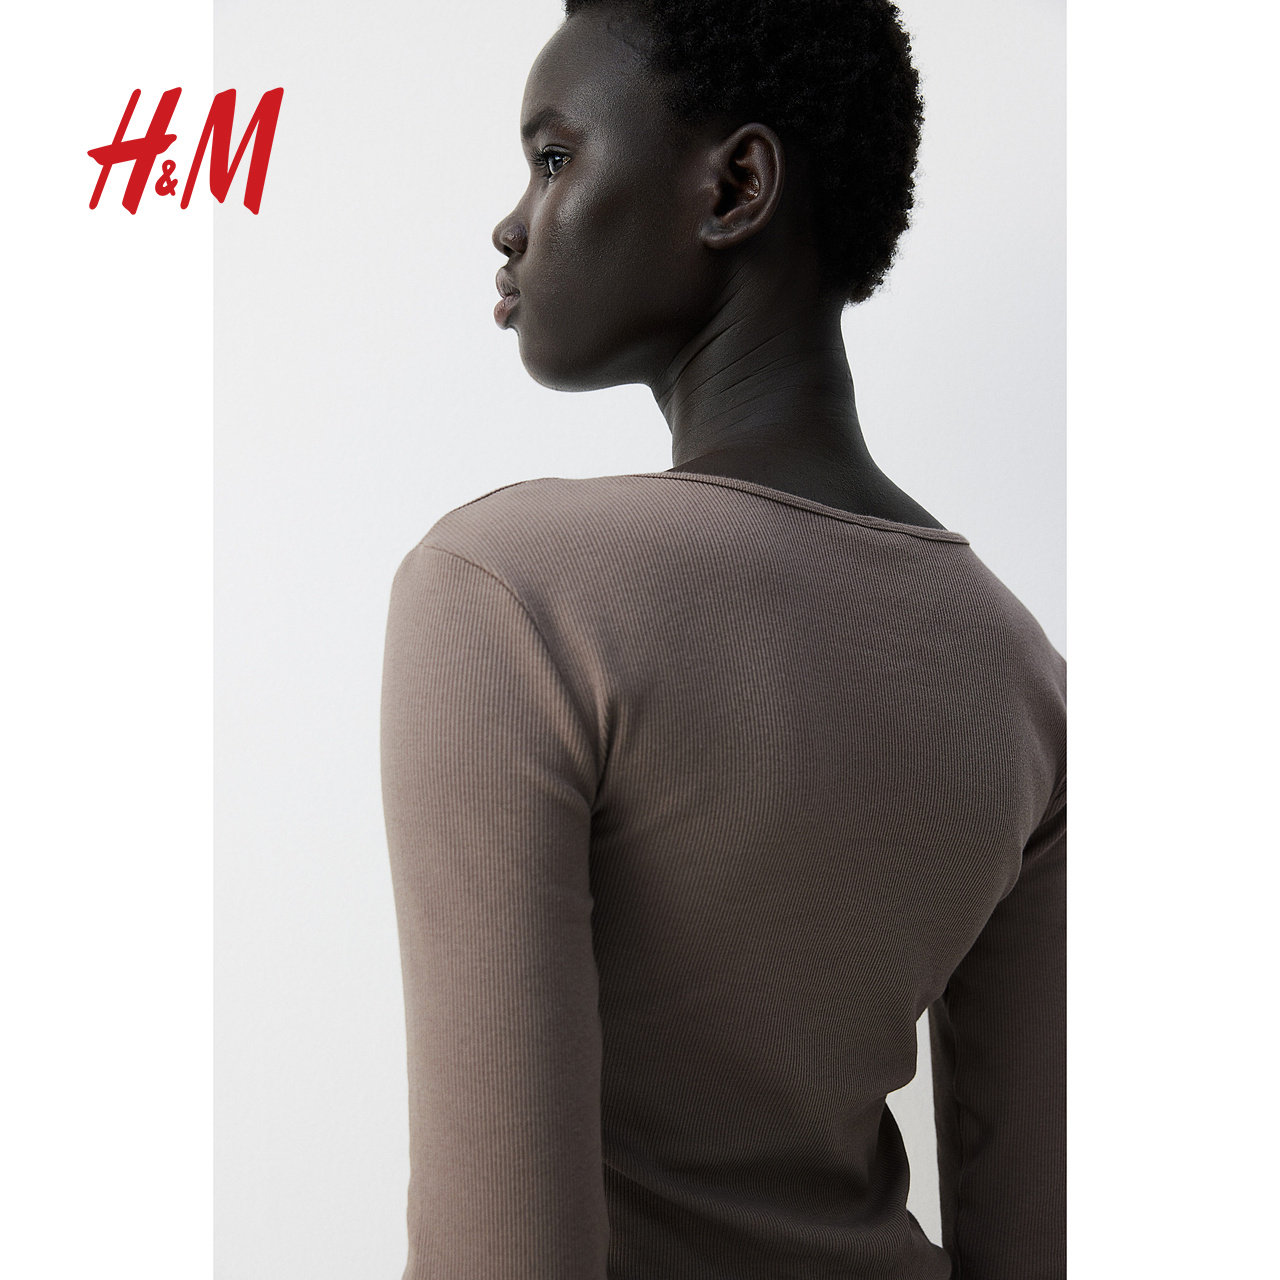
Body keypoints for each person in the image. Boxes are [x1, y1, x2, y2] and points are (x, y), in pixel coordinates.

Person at [381, 2, 1066, 1277]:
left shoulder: (509, 594)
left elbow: (503, 1250)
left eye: (552, 158)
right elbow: (1036, 1230)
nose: (513, 224)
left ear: (735, 186)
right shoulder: (1023, 674)